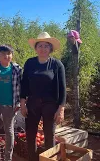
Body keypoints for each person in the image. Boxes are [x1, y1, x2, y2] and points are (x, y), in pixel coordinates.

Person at [20, 32, 66, 161]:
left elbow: (63, 89)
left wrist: (61, 109)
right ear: (36, 48)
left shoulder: (57, 65)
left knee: (49, 135)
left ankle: (48, 159)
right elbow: (24, 85)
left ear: (50, 48)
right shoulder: (30, 63)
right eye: (40, 45)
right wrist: (22, 104)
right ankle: (32, 159)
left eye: (46, 46)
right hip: (33, 104)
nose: (43, 48)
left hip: (50, 105)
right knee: (30, 134)